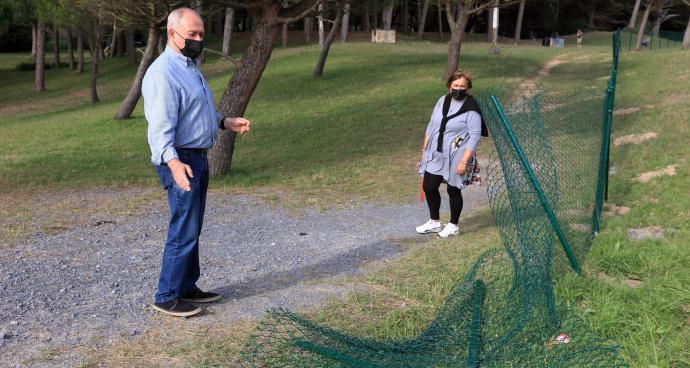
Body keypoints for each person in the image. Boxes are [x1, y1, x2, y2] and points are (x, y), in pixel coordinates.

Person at [142, 7, 251, 317]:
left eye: (202, 34)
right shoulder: (163, 72)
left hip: (197, 158)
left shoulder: (188, 67)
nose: (199, 40)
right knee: (183, 227)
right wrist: (175, 164)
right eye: (192, 35)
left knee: (193, 226)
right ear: (172, 35)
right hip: (181, 160)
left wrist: (225, 122)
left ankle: (187, 286)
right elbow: (160, 129)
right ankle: (167, 295)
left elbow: (196, 113)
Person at [416, 71, 487, 238]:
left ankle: (453, 225)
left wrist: (464, 161)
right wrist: (424, 149)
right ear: (449, 86)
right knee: (429, 186)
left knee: (453, 189)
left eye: (463, 86)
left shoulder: (471, 109)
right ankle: (434, 222)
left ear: (468, 88)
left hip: (457, 153)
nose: (459, 89)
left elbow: (475, 136)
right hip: (436, 150)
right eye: (456, 86)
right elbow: (432, 124)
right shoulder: (442, 100)